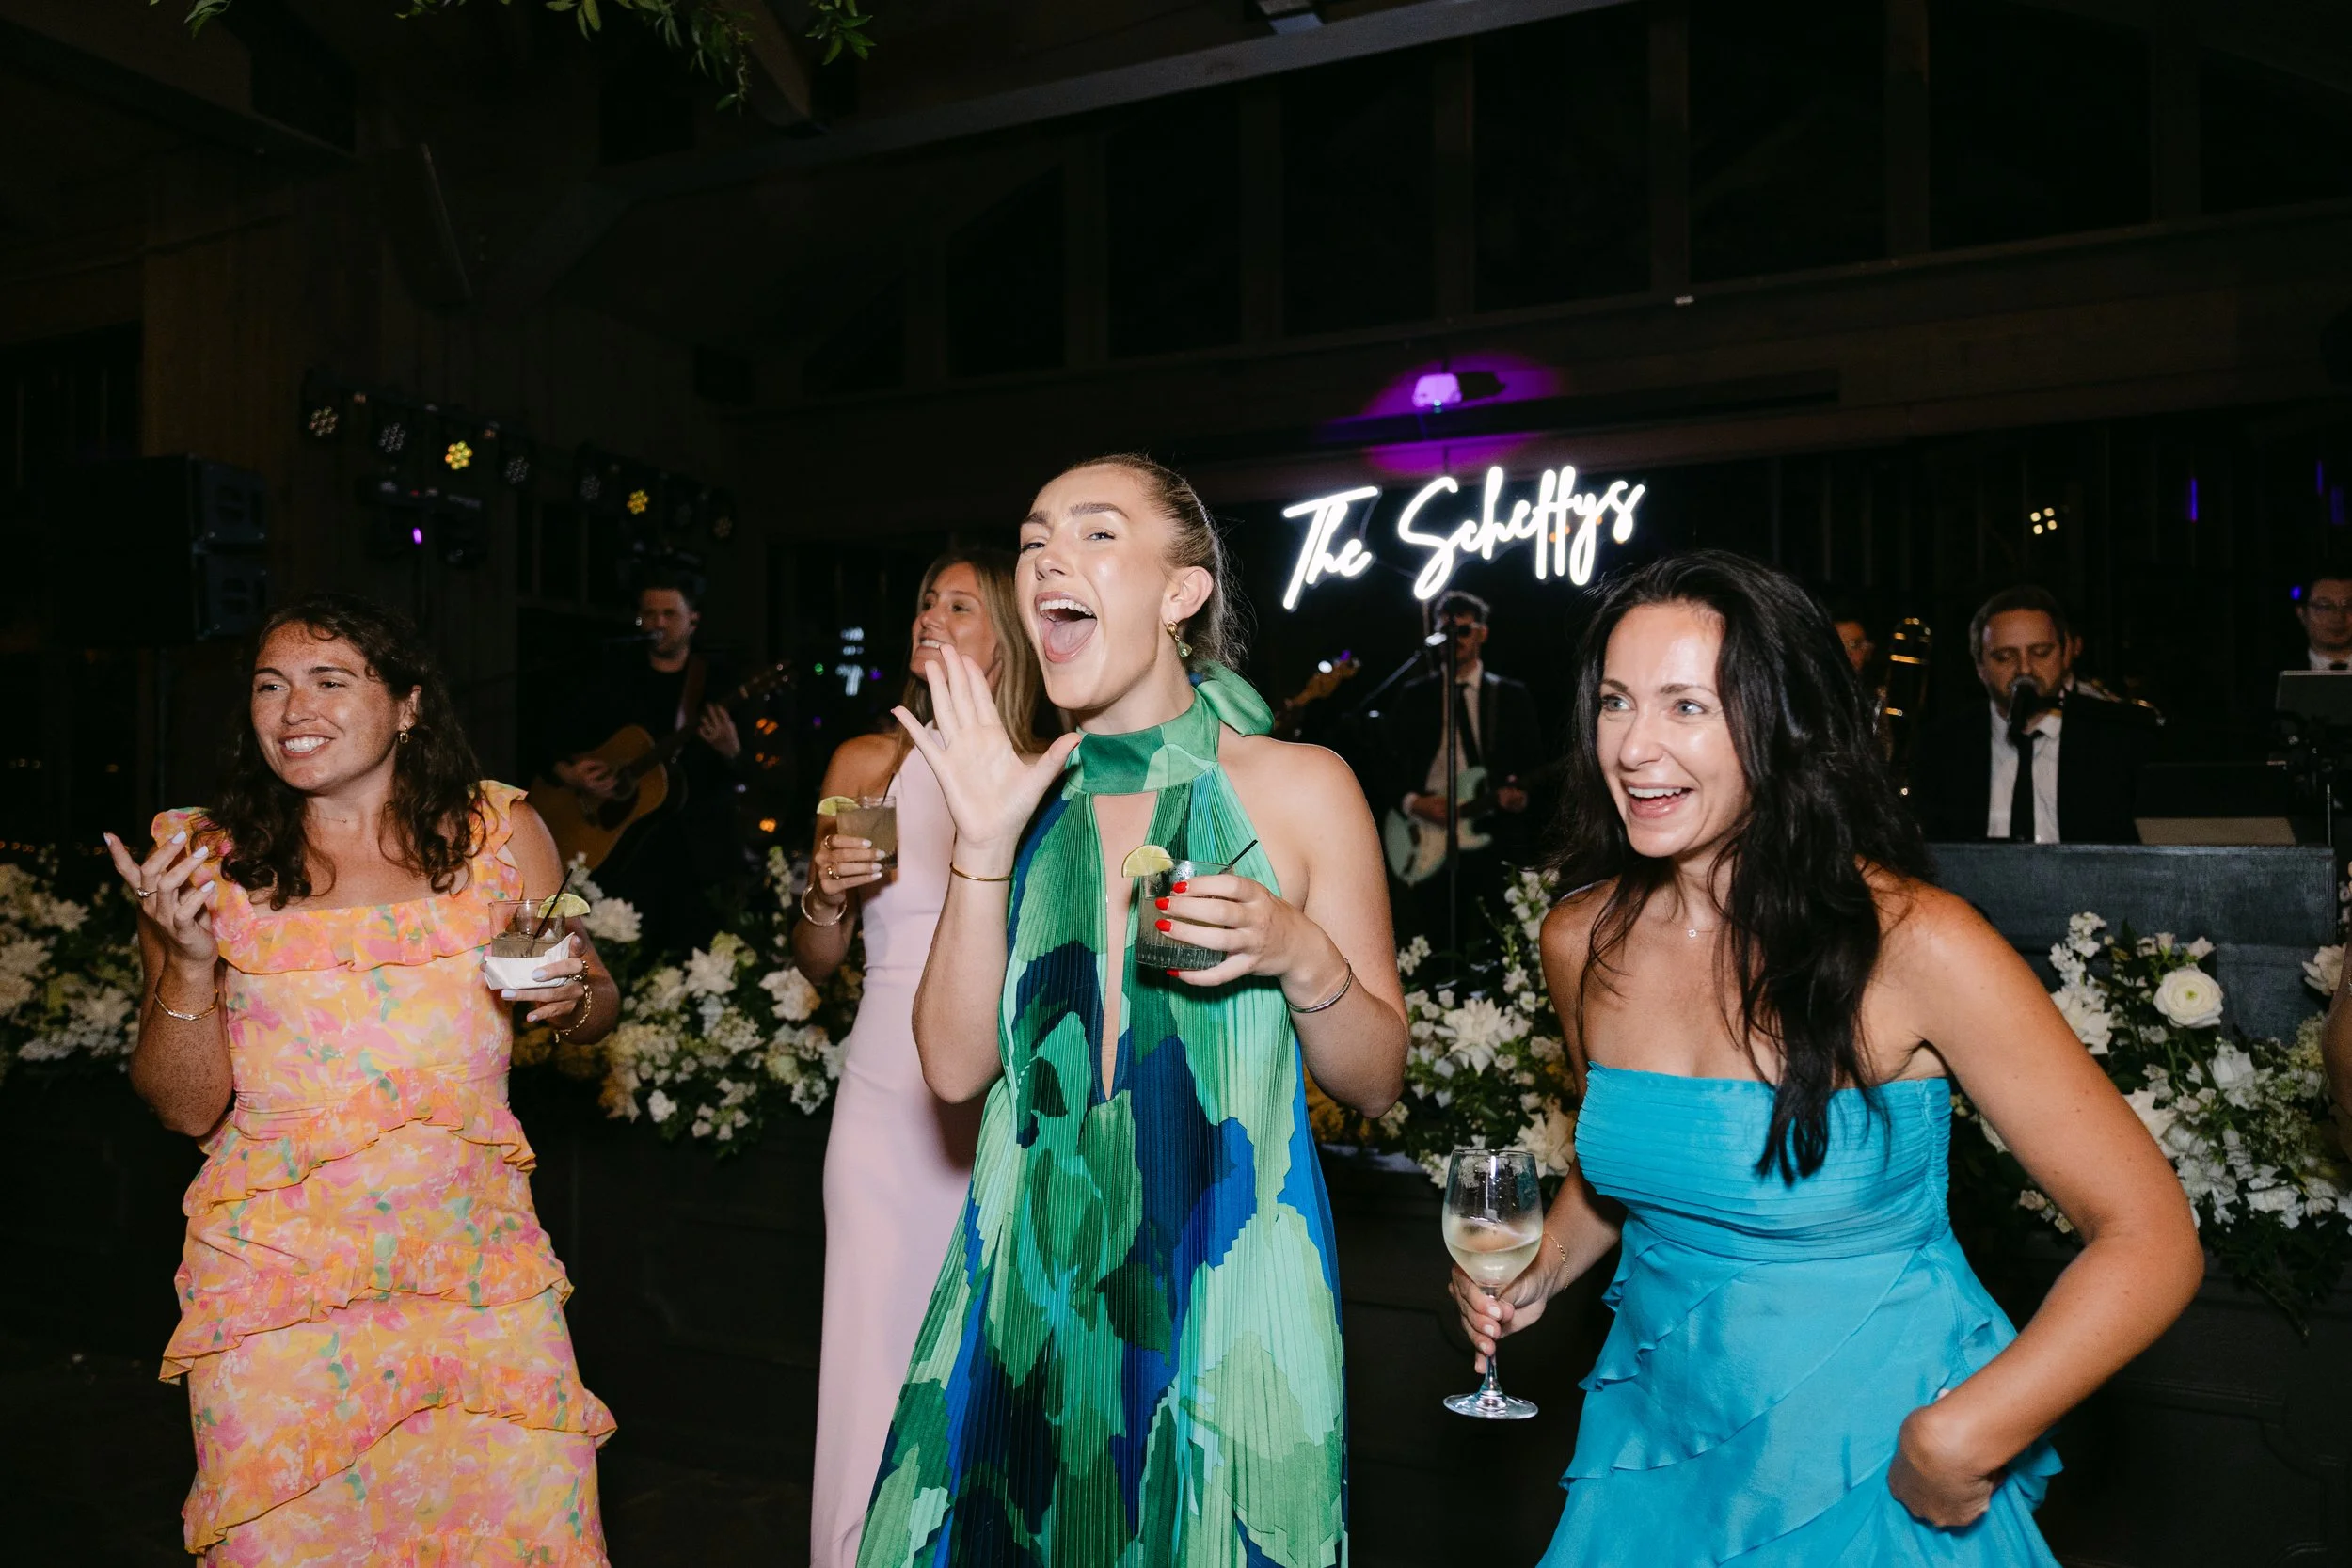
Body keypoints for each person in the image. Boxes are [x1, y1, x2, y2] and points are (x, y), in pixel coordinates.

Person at [1454, 550, 2202, 1565]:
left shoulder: (1914, 941)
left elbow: (2150, 1233)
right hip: (1655, 1449)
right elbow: (1627, 1166)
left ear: (1784, 722)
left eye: (1688, 706)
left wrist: (1967, 1429)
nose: (1633, 747)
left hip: (1869, 1462)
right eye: (1617, 701)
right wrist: (1541, 1268)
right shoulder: (1580, 937)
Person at [857, 455, 1407, 1568]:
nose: (1050, 555)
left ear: (1181, 592)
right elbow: (955, 1070)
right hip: (1026, 1299)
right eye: (1033, 539)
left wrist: (1301, 955)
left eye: (1097, 534)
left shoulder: (1296, 787)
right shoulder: (1016, 800)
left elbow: (1376, 1077)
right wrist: (979, 845)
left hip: (1226, 1307)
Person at [103, 593, 618, 1565]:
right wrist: (193, 964)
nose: (294, 707)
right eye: (270, 684)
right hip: (279, 1296)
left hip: (475, 1279)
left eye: (331, 679)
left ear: (409, 703)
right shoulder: (199, 861)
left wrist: (571, 999)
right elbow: (183, 1106)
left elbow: (590, 997)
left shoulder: (498, 834)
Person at [796, 549, 1048, 1568]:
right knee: (871, 1353)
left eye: (959, 603)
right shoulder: (868, 762)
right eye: (923, 602)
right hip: (884, 1098)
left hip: (1008, 1094)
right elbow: (819, 959)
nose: (931, 617)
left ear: (1009, 635)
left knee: (995, 1357)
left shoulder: (1050, 765)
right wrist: (823, 895)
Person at [548, 567, 750, 950]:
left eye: (669, 614)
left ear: (694, 619)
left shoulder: (720, 683)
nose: (657, 623)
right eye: (649, 615)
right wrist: (573, 776)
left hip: (697, 857)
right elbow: (552, 739)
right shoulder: (613, 678)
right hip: (627, 859)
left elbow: (752, 771)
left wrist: (731, 750)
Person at [1909, 584, 2159, 844]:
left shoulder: (2119, 738)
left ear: (2065, 656)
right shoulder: (1942, 746)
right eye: (2005, 657)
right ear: (1980, 667)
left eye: (2041, 653)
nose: (2025, 669)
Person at [1375, 589, 1546, 945]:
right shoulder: (1414, 695)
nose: (1455, 641)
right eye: (1446, 633)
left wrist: (1521, 797)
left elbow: (1533, 764)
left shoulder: (1511, 696)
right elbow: (1381, 764)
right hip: (1427, 834)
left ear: (1482, 633)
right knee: (1437, 941)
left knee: (1504, 940)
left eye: (1464, 632)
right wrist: (1413, 802)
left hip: (1492, 832)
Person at [2294, 571, 2352, 670]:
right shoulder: (2271, 675)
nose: (2338, 617)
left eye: (2349, 606)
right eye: (2325, 607)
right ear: (2302, 613)